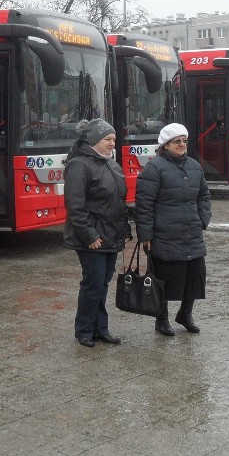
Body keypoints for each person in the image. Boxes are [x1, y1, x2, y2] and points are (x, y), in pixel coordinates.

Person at [134, 123, 211, 337]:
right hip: (165, 234)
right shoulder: (154, 168)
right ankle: (162, 319)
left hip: (192, 232)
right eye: (177, 141)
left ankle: (185, 314)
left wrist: (203, 218)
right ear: (165, 145)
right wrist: (146, 234)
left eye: (184, 141)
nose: (182, 145)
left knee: (195, 277)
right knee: (166, 279)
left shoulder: (195, 166)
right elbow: (144, 204)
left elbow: (204, 195)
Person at [63, 118, 131, 348]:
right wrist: (89, 236)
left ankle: (101, 328)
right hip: (92, 238)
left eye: (114, 139)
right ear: (93, 141)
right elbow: (75, 206)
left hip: (111, 235)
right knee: (92, 283)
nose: (113, 143)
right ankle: (84, 330)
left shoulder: (111, 164)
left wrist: (125, 229)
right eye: (108, 139)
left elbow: (119, 201)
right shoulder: (79, 165)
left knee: (103, 283)